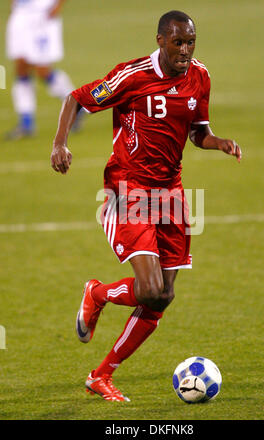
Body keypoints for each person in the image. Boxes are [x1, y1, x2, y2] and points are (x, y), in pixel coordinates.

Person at [51, 10, 242, 402]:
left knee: (163, 297)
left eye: (191, 42)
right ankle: (99, 295)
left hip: (171, 193)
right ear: (160, 40)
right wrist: (59, 143)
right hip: (129, 188)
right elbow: (77, 98)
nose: (185, 50)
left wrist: (218, 141)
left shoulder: (200, 76)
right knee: (151, 288)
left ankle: (100, 375)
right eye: (178, 43)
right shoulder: (132, 76)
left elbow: (197, 132)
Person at [5, 0, 82, 140]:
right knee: (21, 69)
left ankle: (75, 106)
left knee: (42, 70)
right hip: (20, 15)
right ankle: (26, 123)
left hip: (43, 15)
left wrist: (58, 5)